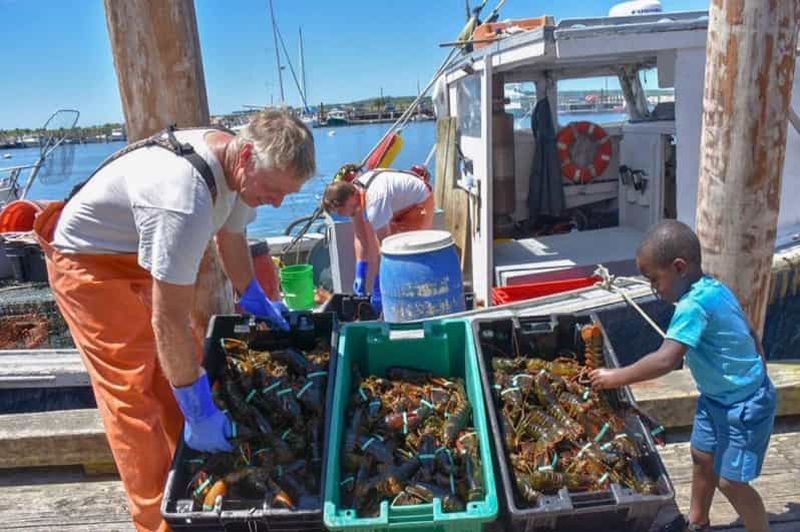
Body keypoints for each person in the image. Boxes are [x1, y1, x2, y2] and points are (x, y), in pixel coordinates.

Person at [32, 109, 316, 532]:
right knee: (132, 395)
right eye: (274, 191)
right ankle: (156, 522)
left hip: (133, 254)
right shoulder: (183, 200)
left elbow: (232, 235)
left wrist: (253, 297)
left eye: (285, 196)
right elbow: (168, 320)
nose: (277, 203)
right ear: (246, 157)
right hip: (87, 262)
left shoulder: (240, 169)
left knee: (175, 376)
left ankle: (185, 484)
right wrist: (200, 411)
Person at [590, 220, 776, 532]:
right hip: (717, 399)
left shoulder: (692, 306)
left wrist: (615, 377)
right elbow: (750, 332)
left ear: (678, 267)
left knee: (731, 482)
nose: (653, 289)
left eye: (654, 280)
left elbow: (666, 360)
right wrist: (759, 364)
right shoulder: (716, 288)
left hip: (744, 407)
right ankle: (697, 521)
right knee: (702, 455)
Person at [321, 165, 434, 307]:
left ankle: (415, 297)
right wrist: (360, 272)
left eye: (340, 210)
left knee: (405, 253)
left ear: (351, 197)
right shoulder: (355, 193)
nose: (341, 215)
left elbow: (386, 248)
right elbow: (360, 237)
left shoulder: (375, 202)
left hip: (419, 202)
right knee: (388, 246)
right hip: (397, 205)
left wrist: (377, 283)